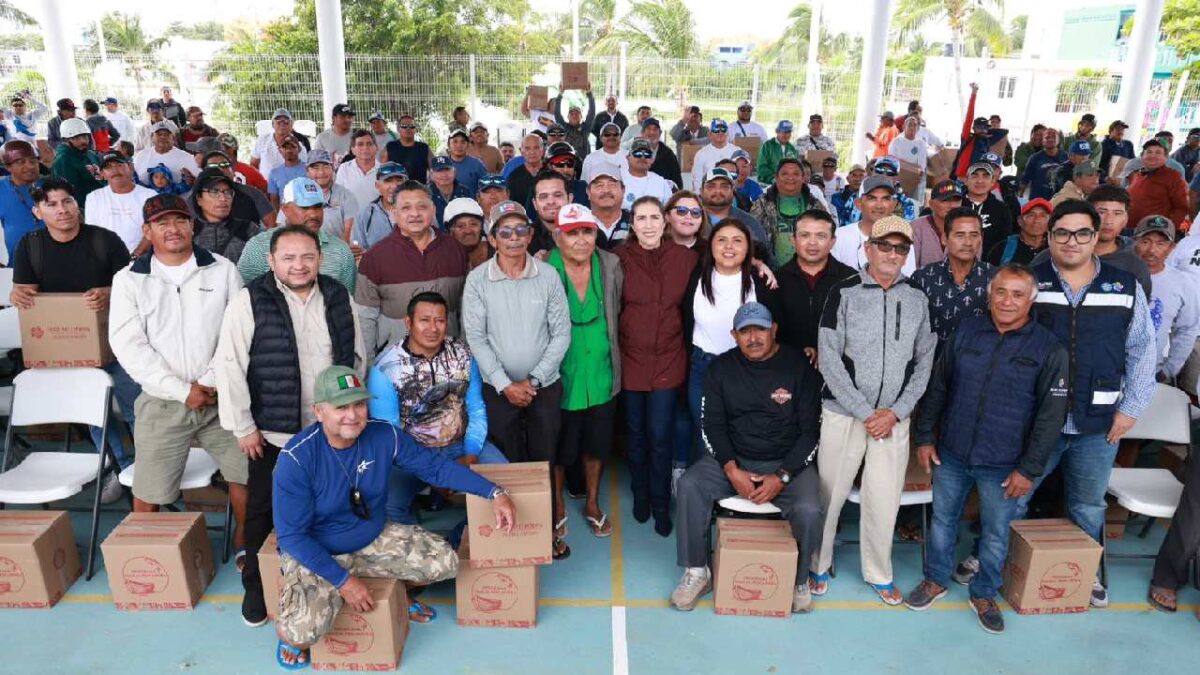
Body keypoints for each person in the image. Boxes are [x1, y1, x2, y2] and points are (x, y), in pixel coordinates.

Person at [957, 199, 1157, 607]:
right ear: (1049, 237)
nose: (1072, 241)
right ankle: (988, 558)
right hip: (1032, 421)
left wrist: (1130, 409)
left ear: (1097, 234)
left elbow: (1142, 351)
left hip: (1098, 422)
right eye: (1062, 232)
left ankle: (1084, 571)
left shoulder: (1123, 286)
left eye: (1082, 232)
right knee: (1011, 497)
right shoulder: (1030, 283)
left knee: (1087, 503)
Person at [270, 365, 516, 668]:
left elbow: (435, 467)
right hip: (318, 551)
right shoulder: (296, 458)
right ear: (319, 411)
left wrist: (493, 493)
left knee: (445, 563)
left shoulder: (383, 435)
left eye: (359, 404)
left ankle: (393, 592)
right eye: (341, 407)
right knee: (301, 632)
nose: (353, 414)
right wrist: (344, 581)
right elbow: (292, 537)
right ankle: (298, 618)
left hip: (370, 538)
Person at [905, 263, 1069, 633]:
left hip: (1005, 462)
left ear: (1031, 299)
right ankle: (936, 579)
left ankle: (984, 592)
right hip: (953, 452)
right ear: (989, 294)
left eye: (1017, 294)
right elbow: (939, 387)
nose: (1007, 301)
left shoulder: (1048, 348)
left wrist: (1029, 469)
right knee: (943, 521)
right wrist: (926, 437)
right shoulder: (967, 332)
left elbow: (1050, 417)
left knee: (997, 531)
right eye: (1000, 292)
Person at [215, 223, 364, 628]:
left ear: (319, 258)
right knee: (264, 511)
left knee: (331, 506)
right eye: (289, 257)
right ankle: (257, 590)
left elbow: (355, 357)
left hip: (328, 431)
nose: (299, 265)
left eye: (307, 257)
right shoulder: (250, 300)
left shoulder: (337, 296)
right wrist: (243, 427)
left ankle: (326, 584)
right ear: (271, 261)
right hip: (272, 434)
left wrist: (349, 416)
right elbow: (229, 367)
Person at [108, 192, 248, 554]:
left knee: (245, 474)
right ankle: (148, 555)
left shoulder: (222, 270)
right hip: (163, 399)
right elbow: (128, 346)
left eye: (180, 220)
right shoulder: (129, 280)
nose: (172, 229)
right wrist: (181, 390)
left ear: (192, 225)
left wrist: (209, 381)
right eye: (161, 222)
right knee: (149, 487)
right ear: (147, 230)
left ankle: (246, 544)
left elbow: (237, 333)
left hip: (221, 396)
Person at [811, 216, 936, 606]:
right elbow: (828, 357)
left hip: (892, 419)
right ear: (868, 248)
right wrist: (866, 411)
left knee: (884, 499)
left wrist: (895, 411)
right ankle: (817, 562)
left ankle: (879, 573)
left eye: (900, 248)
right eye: (885, 246)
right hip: (845, 413)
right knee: (829, 494)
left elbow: (924, 361)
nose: (892, 254)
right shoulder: (843, 291)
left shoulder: (916, 297)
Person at [671, 301, 823, 613]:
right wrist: (731, 469)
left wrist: (782, 476)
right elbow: (710, 425)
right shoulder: (720, 369)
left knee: (809, 509)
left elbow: (811, 432)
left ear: (774, 330)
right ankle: (697, 570)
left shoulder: (798, 368)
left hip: (785, 463)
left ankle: (798, 579)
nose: (753, 338)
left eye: (761, 330)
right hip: (735, 459)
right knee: (689, 485)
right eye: (745, 332)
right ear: (734, 335)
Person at [11, 177, 139, 502]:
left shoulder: (104, 241)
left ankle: (151, 467)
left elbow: (135, 288)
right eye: (51, 204)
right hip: (67, 347)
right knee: (93, 413)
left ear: (76, 205)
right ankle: (123, 468)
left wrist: (109, 293)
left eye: (67, 201)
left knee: (139, 410)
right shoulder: (31, 246)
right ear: (38, 212)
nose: (62, 210)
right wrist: (19, 294)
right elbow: (27, 293)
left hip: (120, 343)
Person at [365, 290, 507, 529]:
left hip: (461, 444)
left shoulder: (462, 354)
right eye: (424, 320)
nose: (433, 328)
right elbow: (390, 435)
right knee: (387, 506)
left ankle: (465, 538)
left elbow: (476, 407)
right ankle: (424, 552)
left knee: (509, 485)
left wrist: (471, 454)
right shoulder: (385, 368)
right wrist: (436, 474)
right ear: (408, 323)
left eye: (440, 320)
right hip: (411, 456)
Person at [462, 201, 571, 465]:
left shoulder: (548, 275)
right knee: (504, 459)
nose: (514, 238)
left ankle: (543, 508)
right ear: (492, 239)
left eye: (521, 230)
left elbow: (561, 334)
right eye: (505, 232)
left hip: (543, 386)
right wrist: (505, 384)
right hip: (497, 388)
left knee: (544, 457)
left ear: (530, 235)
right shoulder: (477, 280)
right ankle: (509, 507)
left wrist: (532, 381)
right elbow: (475, 337)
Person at [545, 204, 622, 556]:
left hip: (601, 366)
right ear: (558, 236)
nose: (580, 239)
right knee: (560, 447)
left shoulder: (610, 265)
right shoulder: (544, 267)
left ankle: (591, 503)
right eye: (572, 232)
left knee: (597, 443)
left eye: (587, 231)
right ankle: (558, 506)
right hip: (561, 368)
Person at [618, 195, 699, 524]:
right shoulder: (617, 257)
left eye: (654, 218)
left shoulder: (685, 257)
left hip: (668, 356)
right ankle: (641, 495)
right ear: (632, 224)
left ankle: (662, 503)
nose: (648, 225)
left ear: (665, 222)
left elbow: (730, 258)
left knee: (661, 434)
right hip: (630, 357)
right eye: (641, 218)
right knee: (635, 434)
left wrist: (759, 263)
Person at [682, 218, 776, 480]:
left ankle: (735, 489)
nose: (728, 247)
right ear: (710, 245)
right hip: (703, 367)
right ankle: (703, 491)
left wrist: (758, 264)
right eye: (721, 239)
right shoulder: (697, 276)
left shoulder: (760, 280)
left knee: (740, 431)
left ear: (749, 248)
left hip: (746, 370)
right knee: (705, 432)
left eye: (737, 240)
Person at [356, 181, 468, 356]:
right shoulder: (375, 256)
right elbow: (365, 318)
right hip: (395, 362)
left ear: (433, 210)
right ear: (394, 213)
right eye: (406, 208)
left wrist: (464, 354)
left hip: (448, 359)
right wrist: (369, 365)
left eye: (422, 207)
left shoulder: (455, 250)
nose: (415, 214)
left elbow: (467, 310)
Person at [239, 177, 357, 293]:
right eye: (304, 207)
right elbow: (244, 297)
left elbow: (347, 302)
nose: (313, 215)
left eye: (318, 207)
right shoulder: (258, 247)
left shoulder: (341, 252)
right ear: (285, 209)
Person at [772, 209, 857, 363]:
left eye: (821, 236)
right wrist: (796, 352)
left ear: (832, 242)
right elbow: (770, 332)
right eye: (805, 235)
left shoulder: (852, 280)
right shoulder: (776, 281)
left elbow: (860, 332)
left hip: (840, 371)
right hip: (789, 369)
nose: (812, 242)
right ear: (793, 239)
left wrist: (830, 354)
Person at [910, 208, 995, 349]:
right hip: (930, 364)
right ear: (944, 238)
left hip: (977, 365)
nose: (968, 242)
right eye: (960, 235)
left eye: (974, 235)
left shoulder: (995, 277)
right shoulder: (923, 277)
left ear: (981, 239)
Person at [1131, 215, 1200, 382]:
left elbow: (1187, 328)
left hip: (1150, 374)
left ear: (1171, 248)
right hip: (1108, 372)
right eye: (1145, 241)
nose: (1152, 250)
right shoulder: (1116, 274)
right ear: (1134, 242)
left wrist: (1169, 370)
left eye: (1161, 243)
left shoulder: (1182, 283)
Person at [751, 158, 831, 264]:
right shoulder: (762, 204)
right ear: (776, 177)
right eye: (784, 174)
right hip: (770, 272)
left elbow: (827, 236)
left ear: (803, 178)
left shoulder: (814, 205)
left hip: (808, 270)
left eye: (796, 174)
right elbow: (750, 235)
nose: (790, 177)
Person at [830, 179, 916, 275]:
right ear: (858, 204)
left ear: (894, 204)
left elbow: (907, 279)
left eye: (885, 198)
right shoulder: (839, 236)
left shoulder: (903, 239)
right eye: (872, 198)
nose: (879, 205)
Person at [186, 167, 263, 264]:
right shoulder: (187, 232)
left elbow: (260, 269)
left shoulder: (248, 229)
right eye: (214, 192)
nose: (223, 198)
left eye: (227, 192)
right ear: (199, 199)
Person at [86, 152, 157, 256]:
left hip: (142, 260)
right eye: (108, 167)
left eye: (119, 165)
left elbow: (155, 229)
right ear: (103, 174)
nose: (115, 171)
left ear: (131, 168)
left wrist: (135, 255)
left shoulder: (150, 196)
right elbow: (92, 233)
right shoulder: (94, 197)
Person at [700, 168, 770, 263]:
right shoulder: (691, 220)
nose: (718, 191)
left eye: (724, 187)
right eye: (711, 186)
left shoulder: (748, 222)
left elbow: (766, 258)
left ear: (733, 191)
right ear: (701, 191)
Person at [195, 151, 276, 229]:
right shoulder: (195, 197)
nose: (220, 169)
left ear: (233, 170)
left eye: (224, 165)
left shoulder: (252, 193)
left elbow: (272, 225)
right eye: (213, 166)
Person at [1128, 139, 1189, 227]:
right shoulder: (1135, 175)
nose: (1153, 156)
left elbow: (1182, 208)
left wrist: (1170, 230)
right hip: (1129, 229)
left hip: (1154, 232)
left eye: (1158, 152)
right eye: (1149, 152)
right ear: (1142, 156)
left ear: (1166, 157)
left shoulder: (1174, 177)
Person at [952, 83, 1008, 178]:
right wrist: (974, 94)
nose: (983, 130)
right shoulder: (967, 137)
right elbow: (969, 117)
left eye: (985, 127)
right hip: (963, 178)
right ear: (973, 128)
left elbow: (1004, 132)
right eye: (979, 127)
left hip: (978, 179)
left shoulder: (988, 140)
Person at [349, 162, 407, 252]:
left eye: (399, 180)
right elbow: (357, 252)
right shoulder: (364, 216)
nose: (395, 186)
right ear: (378, 186)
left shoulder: (419, 211)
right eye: (388, 180)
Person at [0, 140, 43, 260]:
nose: (30, 166)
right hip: (12, 267)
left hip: (53, 262)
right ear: (8, 167)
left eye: (33, 161)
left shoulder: (52, 186)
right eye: (21, 162)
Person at [962, 159, 1013, 255]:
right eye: (974, 175)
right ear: (966, 180)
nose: (980, 181)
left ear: (993, 181)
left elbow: (1005, 242)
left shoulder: (1002, 210)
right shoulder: (956, 205)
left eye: (985, 176)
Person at [51, 118, 105, 205]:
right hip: (87, 208)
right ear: (66, 140)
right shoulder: (63, 161)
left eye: (85, 136)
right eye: (76, 138)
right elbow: (71, 195)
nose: (83, 141)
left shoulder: (90, 154)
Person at [906, 180, 959, 267]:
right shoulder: (916, 227)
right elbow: (910, 268)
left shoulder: (969, 228)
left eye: (956, 200)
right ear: (931, 204)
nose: (952, 205)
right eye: (945, 200)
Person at [987, 198, 1051, 265]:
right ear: (1019, 220)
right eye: (1031, 215)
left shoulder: (1055, 248)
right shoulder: (1002, 249)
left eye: (1043, 216)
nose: (1037, 220)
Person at [133, 121, 196, 186]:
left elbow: (199, 178)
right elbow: (132, 179)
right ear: (152, 137)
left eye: (166, 134)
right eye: (159, 134)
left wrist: (191, 181)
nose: (163, 137)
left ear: (173, 138)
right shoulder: (141, 156)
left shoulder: (186, 157)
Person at [251, 108, 308, 178]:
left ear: (291, 125)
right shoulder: (262, 140)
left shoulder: (298, 145)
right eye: (278, 121)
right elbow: (253, 164)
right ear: (272, 124)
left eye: (286, 121)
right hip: (264, 186)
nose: (282, 124)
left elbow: (304, 169)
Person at [621, 138, 674, 211]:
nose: (643, 157)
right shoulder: (617, 180)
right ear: (628, 157)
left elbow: (669, 212)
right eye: (638, 154)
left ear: (652, 160)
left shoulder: (662, 183)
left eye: (647, 154)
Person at [334, 130, 381, 209]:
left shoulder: (383, 170)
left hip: (377, 220)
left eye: (369, 144)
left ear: (376, 148)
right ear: (353, 150)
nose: (365, 148)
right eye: (360, 144)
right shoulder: (344, 168)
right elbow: (338, 198)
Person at [586, 169, 630, 249]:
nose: (606, 190)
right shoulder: (580, 223)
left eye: (612, 184)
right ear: (588, 192)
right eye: (599, 185)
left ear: (623, 190)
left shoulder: (635, 222)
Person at [383, 114, 432, 185]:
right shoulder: (390, 147)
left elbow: (435, 170)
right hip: (397, 191)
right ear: (398, 129)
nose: (408, 129)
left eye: (412, 126)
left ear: (415, 129)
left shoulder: (424, 148)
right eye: (404, 126)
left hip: (419, 191)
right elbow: (382, 170)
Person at [690, 119, 736, 192]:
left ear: (727, 133)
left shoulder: (736, 151)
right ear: (710, 134)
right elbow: (697, 180)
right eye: (716, 129)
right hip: (709, 195)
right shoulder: (701, 153)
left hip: (732, 194)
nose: (720, 132)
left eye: (723, 129)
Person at [445, 197, 492, 270]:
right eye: (460, 226)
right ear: (450, 231)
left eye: (473, 224)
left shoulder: (499, 253)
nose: (468, 231)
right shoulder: (441, 258)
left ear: (481, 227)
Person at [428, 155, 473, 230]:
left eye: (447, 169)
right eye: (439, 170)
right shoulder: (425, 194)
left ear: (454, 172)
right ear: (431, 175)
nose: (444, 174)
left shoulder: (466, 192)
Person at [552, 89, 596, 160]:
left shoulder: (585, 128)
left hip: (583, 164)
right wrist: (560, 94)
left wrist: (589, 94)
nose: (574, 115)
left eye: (577, 113)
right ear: (567, 117)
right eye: (572, 114)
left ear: (581, 117)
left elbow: (592, 113)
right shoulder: (564, 127)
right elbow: (557, 113)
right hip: (567, 164)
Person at [642, 117, 684, 189]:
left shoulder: (668, 154)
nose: (652, 132)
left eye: (655, 129)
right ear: (642, 133)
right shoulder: (635, 154)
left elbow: (677, 181)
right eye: (648, 129)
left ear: (660, 133)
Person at [505, 134, 546, 207]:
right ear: (522, 152)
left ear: (542, 150)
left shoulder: (551, 173)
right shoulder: (514, 176)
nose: (532, 152)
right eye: (527, 148)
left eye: (536, 148)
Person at [266, 136, 306, 209]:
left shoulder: (309, 169)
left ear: (299, 149)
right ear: (280, 150)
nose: (289, 151)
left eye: (292, 147)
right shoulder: (274, 173)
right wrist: (277, 218)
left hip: (305, 213)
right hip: (284, 215)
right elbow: (274, 199)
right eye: (285, 148)